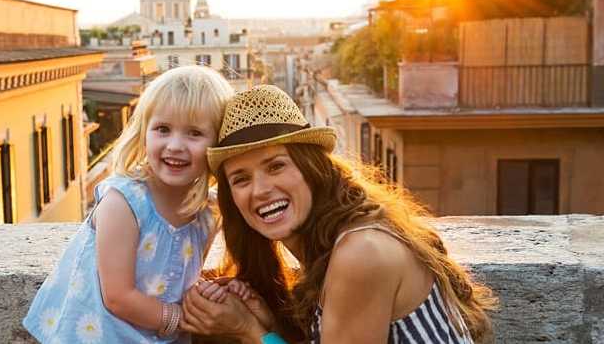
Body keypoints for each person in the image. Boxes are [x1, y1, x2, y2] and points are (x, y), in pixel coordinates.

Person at [181, 85, 496, 343]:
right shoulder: (337, 244)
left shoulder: (361, 253)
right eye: (241, 179)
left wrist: (248, 330)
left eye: (276, 166)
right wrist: (266, 319)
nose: (260, 190)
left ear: (312, 169)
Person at [23, 65, 235, 343]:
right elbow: (118, 297)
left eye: (194, 133)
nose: (174, 145)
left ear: (217, 144)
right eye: (163, 129)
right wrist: (183, 318)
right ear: (143, 132)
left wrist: (215, 291)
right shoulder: (124, 202)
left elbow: (179, 281)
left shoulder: (206, 214)